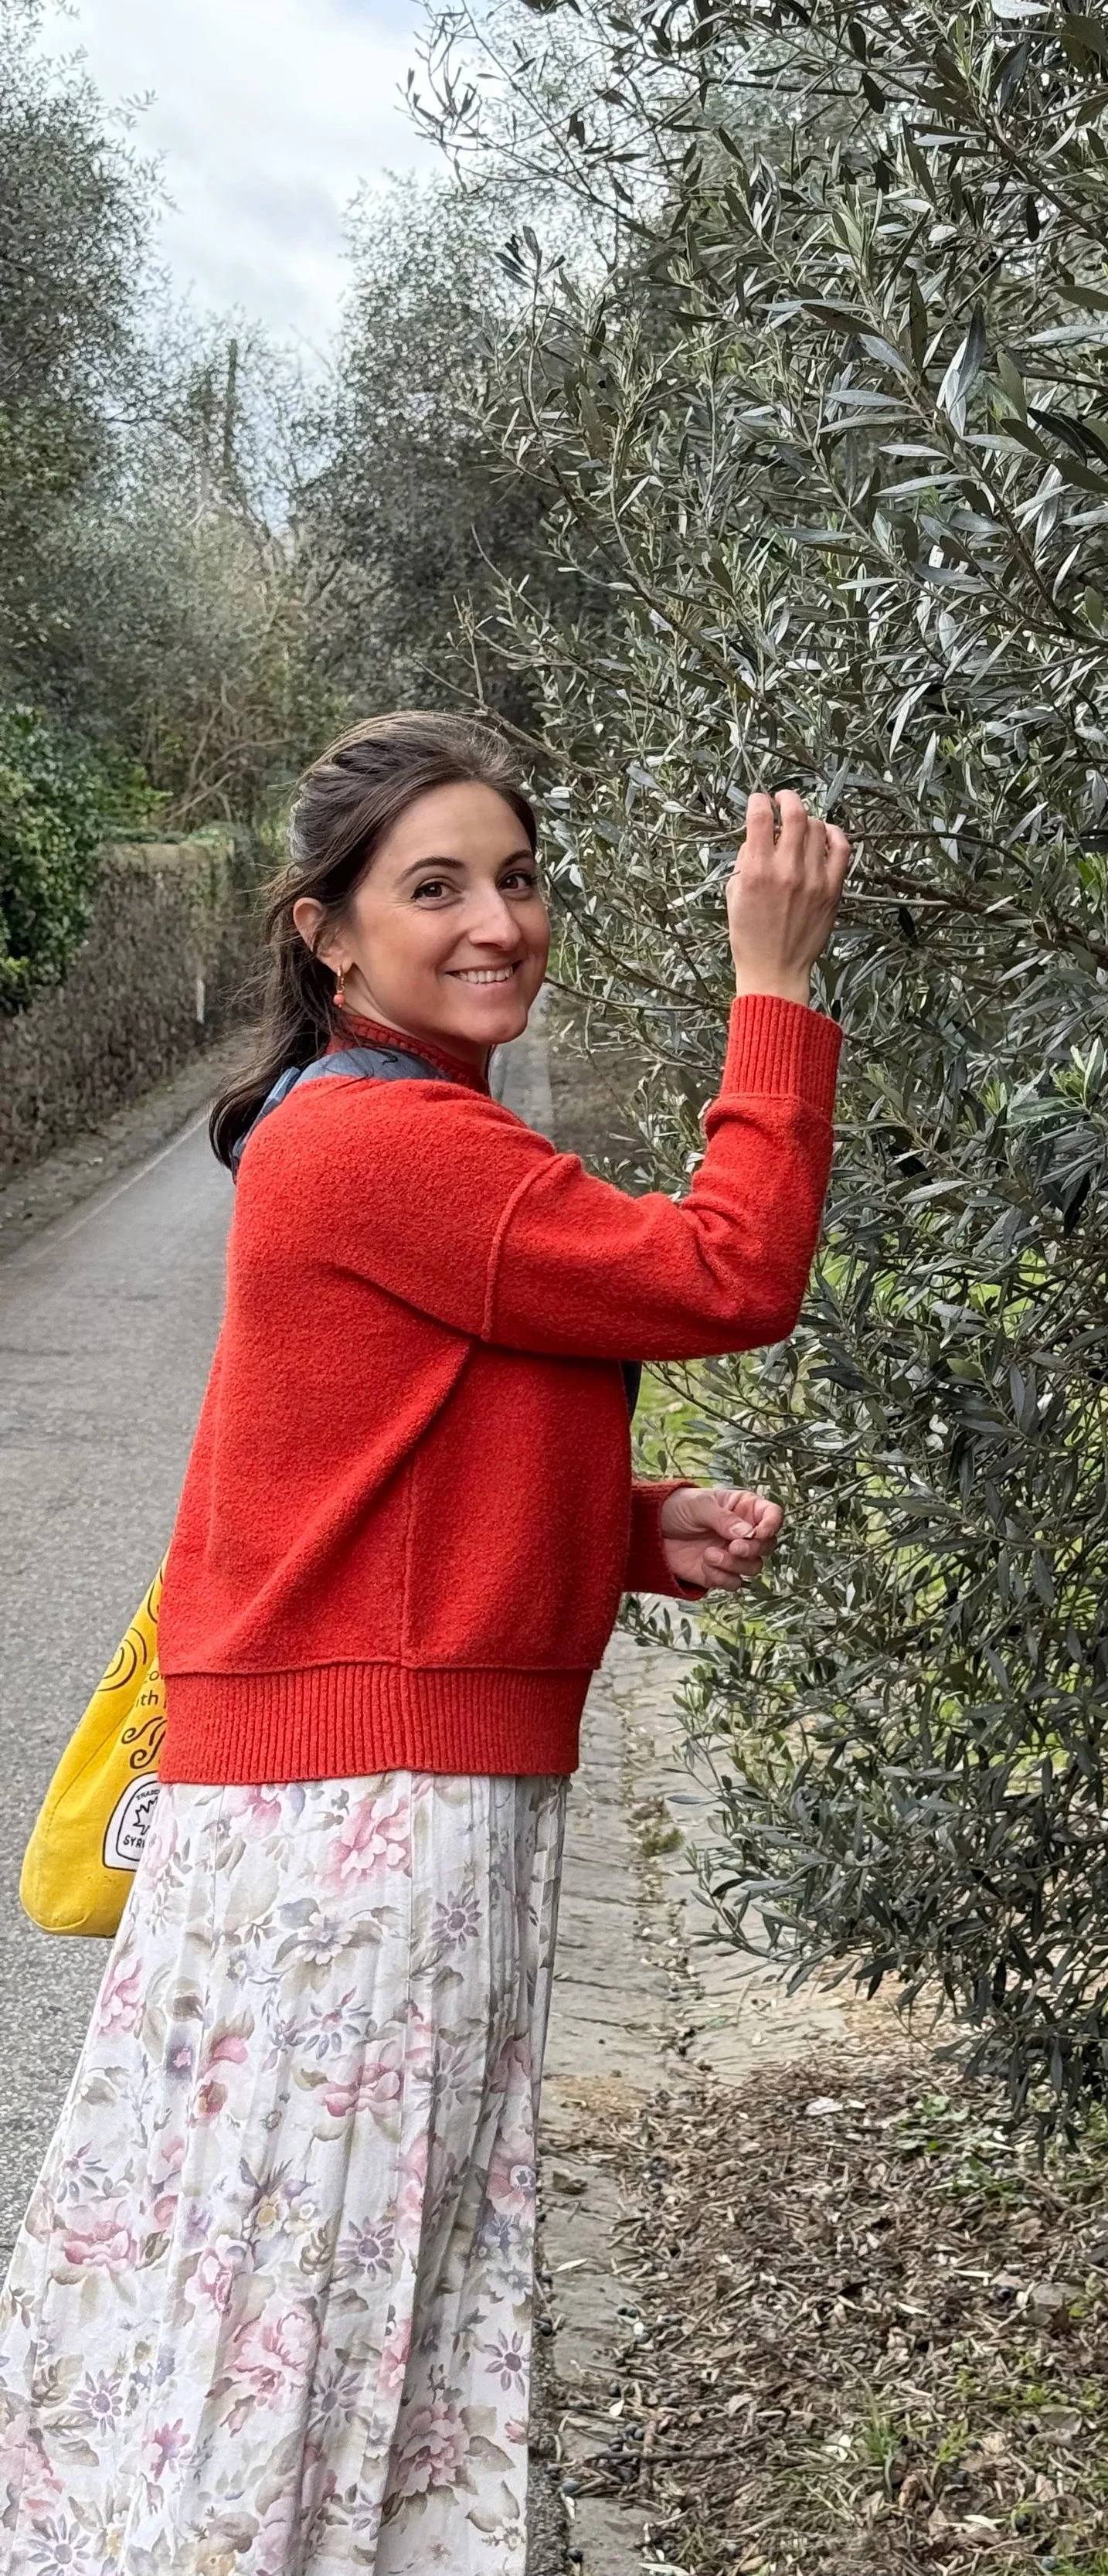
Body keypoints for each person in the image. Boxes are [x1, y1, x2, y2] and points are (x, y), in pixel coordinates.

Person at [0, 710, 848, 2571]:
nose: (499, 923)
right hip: (366, 1825)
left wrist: (619, 1536)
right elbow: (727, 1272)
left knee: (313, 2289)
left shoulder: (380, 1135)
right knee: (316, 2308)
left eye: (519, 879)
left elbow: (360, 1469)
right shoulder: (387, 1146)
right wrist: (773, 990)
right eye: (437, 886)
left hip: (348, 1808)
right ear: (330, 932)